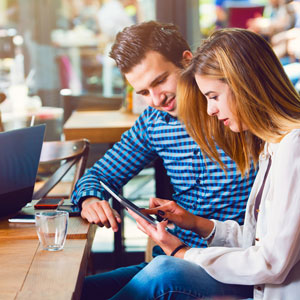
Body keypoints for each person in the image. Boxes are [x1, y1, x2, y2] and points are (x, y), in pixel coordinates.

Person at [110, 28, 300, 300]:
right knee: (93, 288)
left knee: (163, 274)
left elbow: (270, 261)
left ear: (244, 84)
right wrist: (196, 223)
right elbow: (257, 238)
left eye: (213, 96)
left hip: (251, 281)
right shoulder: (274, 145)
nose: (210, 109)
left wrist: (183, 253)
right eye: (143, 92)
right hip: (229, 267)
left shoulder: (292, 147)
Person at [72, 21, 257, 299]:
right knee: (77, 292)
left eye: (160, 81)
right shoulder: (155, 122)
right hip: (175, 256)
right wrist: (89, 199)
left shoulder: (237, 114)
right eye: (144, 92)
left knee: (162, 277)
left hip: (235, 265)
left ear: (187, 60)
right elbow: (98, 175)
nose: (157, 99)